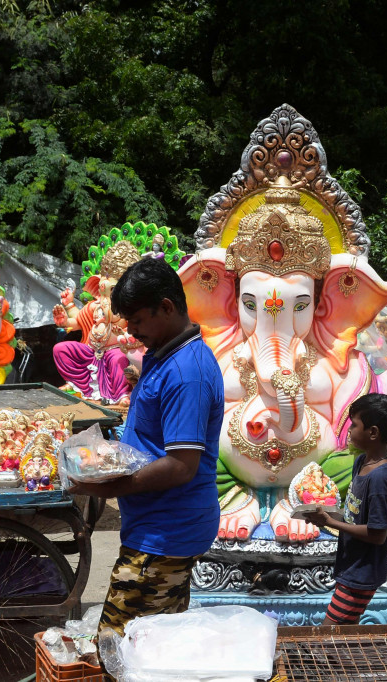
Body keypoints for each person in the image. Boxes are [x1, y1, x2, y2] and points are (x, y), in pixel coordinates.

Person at [67, 257, 224, 641]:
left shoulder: (186, 372)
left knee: (118, 647)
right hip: (156, 524)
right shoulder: (164, 355)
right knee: (156, 644)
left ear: (167, 307)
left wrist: (106, 486)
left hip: (166, 531)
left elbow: (181, 466)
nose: (133, 333)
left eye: (138, 322)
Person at [304, 393, 387, 624]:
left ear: (373, 432)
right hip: (351, 564)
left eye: (354, 425)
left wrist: (328, 522)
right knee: (343, 631)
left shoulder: (379, 479)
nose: (348, 430)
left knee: (330, 634)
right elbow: (355, 513)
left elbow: (377, 535)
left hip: (362, 572)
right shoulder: (361, 463)